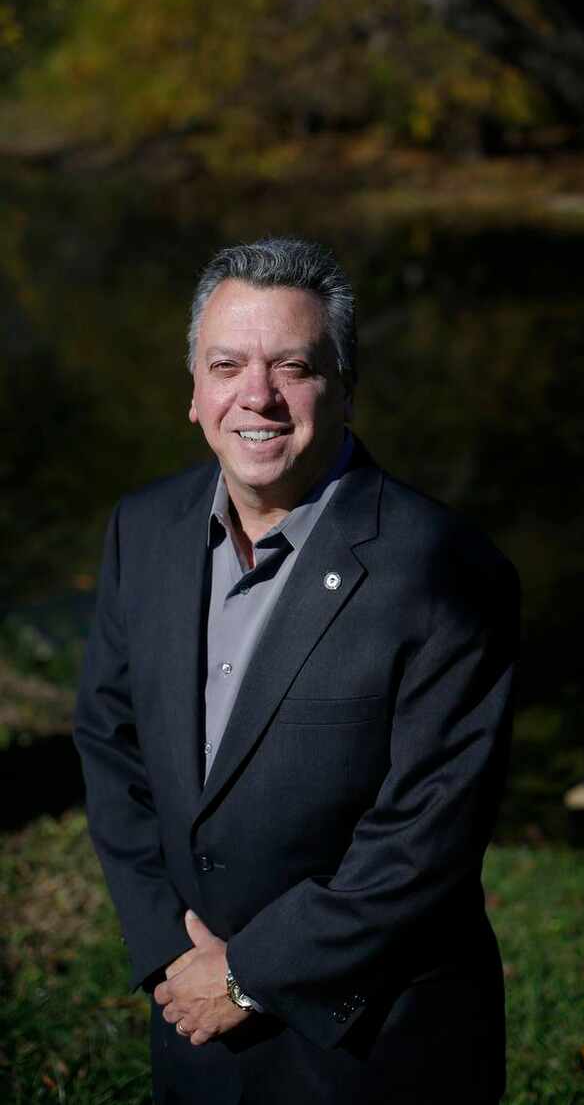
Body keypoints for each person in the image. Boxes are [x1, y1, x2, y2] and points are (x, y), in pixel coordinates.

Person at [74, 236, 520, 1105]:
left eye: (294, 366)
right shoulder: (144, 530)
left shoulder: (445, 568)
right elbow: (109, 738)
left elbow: (427, 836)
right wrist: (170, 947)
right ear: (194, 393)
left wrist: (245, 976)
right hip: (190, 1020)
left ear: (345, 388)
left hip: (370, 1044)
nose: (259, 397)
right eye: (228, 364)